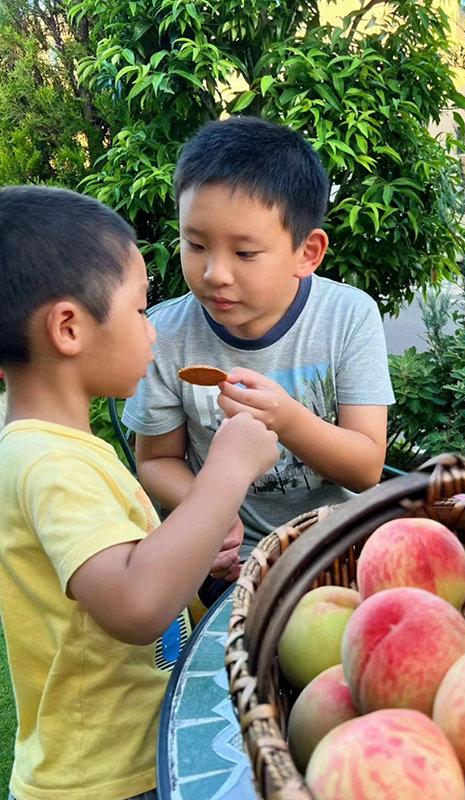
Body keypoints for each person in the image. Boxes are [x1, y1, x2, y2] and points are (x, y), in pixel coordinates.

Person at [0, 186, 279, 800]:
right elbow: (134, 603)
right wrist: (225, 473)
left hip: (124, 758)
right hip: (105, 779)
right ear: (68, 328)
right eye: (138, 309)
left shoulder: (50, 444)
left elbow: (111, 569)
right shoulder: (48, 462)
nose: (152, 330)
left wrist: (185, 553)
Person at [123, 117, 395, 597]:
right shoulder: (165, 334)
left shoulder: (348, 317)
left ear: (306, 252)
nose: (215, 273)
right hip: (231, 561)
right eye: (195, 244)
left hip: (339, 548)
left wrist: (287, 420)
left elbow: (366, 466)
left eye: (245, 253)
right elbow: (156, 460)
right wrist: (210, 511)